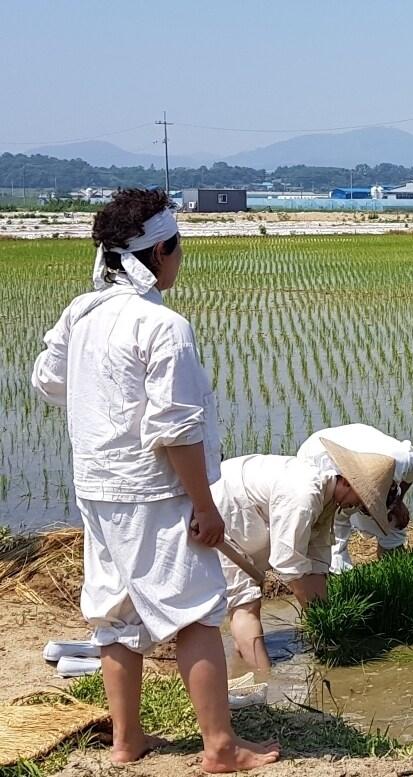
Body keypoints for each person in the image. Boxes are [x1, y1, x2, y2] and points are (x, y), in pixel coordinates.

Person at [30, 189, 279, 772]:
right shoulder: (163, 325)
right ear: (160, 251)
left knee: (114, 614)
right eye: (177, 247)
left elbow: (48, 380)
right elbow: (176, 428)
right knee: (195, 612)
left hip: (97, 487)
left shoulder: (82, 312)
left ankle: (126, 741)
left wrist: (103, 397)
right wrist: (205, 506)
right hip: (155, 491)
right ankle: (220, 748)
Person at [211, 439, 396, 672]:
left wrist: (323, 621)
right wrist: (317, 618)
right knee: (246, 601)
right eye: (361, 500)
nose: (358, 507)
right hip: (224, 507)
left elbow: (316, 555)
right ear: (348, 483)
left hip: (246, 509)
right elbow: (288, 563)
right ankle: (263, 678)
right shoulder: (304, 496)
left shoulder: (328, 496)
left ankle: (249, 657)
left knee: (257, 591)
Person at [296, 423, 413, 572]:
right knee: (331, 542)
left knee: (394, 522)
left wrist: (398, 501)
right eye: (369, 508)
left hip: (361, 446)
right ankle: (339, 582)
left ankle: (395, 567)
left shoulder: (401, 461)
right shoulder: (322, 471)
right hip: (322, 452)